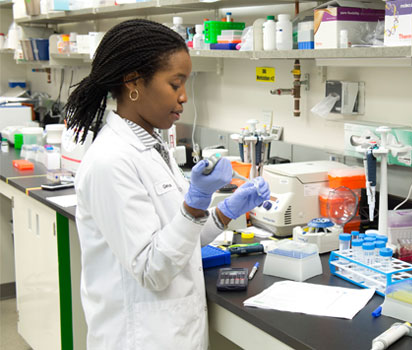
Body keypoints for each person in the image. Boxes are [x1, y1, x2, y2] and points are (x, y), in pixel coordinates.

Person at [64, 19, 270, 349]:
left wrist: (226, 210)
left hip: (173, 332)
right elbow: (152, 269)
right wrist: (194, 202)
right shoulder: (110, 161)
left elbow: (178, 239)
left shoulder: (152, 145)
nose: (184, 97)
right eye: (175, 84)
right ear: (134, 82)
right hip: (138, 337)